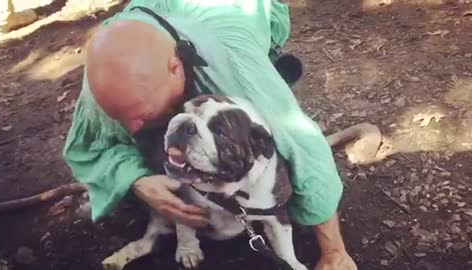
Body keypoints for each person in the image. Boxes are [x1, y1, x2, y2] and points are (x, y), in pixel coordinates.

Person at [62, 1, 358, 269]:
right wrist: (135, 178)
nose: (133, 129)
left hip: (239, 15)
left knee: (261, 106)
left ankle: (270, 71)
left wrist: (333, 251)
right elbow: (86, 148)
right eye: (121, 116)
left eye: (141, 115)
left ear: (175, 67)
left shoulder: (233, 62)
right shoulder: (106, 77)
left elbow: (305, 147)